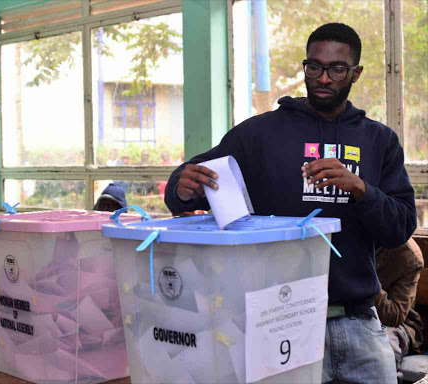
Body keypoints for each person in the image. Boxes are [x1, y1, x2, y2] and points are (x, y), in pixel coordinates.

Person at [165, 23, 417, 384]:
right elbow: (195, 179)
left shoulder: (379, 140)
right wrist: (182, 186)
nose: (323, 78)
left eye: (336, 69)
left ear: (356, 73)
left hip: (358, 320)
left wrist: (362, 189)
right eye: (313, 67)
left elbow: (401, 227)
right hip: (276, 319)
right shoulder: (259, 134)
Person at [375, 238, 424, 370]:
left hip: (398, 325)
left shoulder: (408, 256)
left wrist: (368, 279)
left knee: (381, 350)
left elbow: (394, 315)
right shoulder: (347, 239)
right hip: (348, 315)